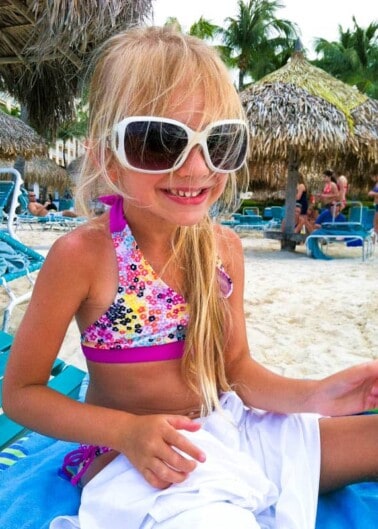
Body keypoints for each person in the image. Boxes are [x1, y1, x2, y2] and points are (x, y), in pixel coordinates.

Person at [3, 26, 378, 529]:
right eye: (160, 142)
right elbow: (21, 393)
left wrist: (317, 395)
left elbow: (237, 370)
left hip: (229, 428)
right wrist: (129, 433)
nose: (196, 166)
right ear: (105, 156)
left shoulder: (223, 248)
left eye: (218, 142)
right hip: (139, 459)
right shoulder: (83, 256)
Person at [368, 169, 378, 234]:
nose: (372, 178)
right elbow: (370, 193)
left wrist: (373, 193)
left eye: (373, 176)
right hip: (376, 205)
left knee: (376, 221)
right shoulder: (377, 184)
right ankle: (376, 235)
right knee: (375, 221)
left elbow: (372, 193)